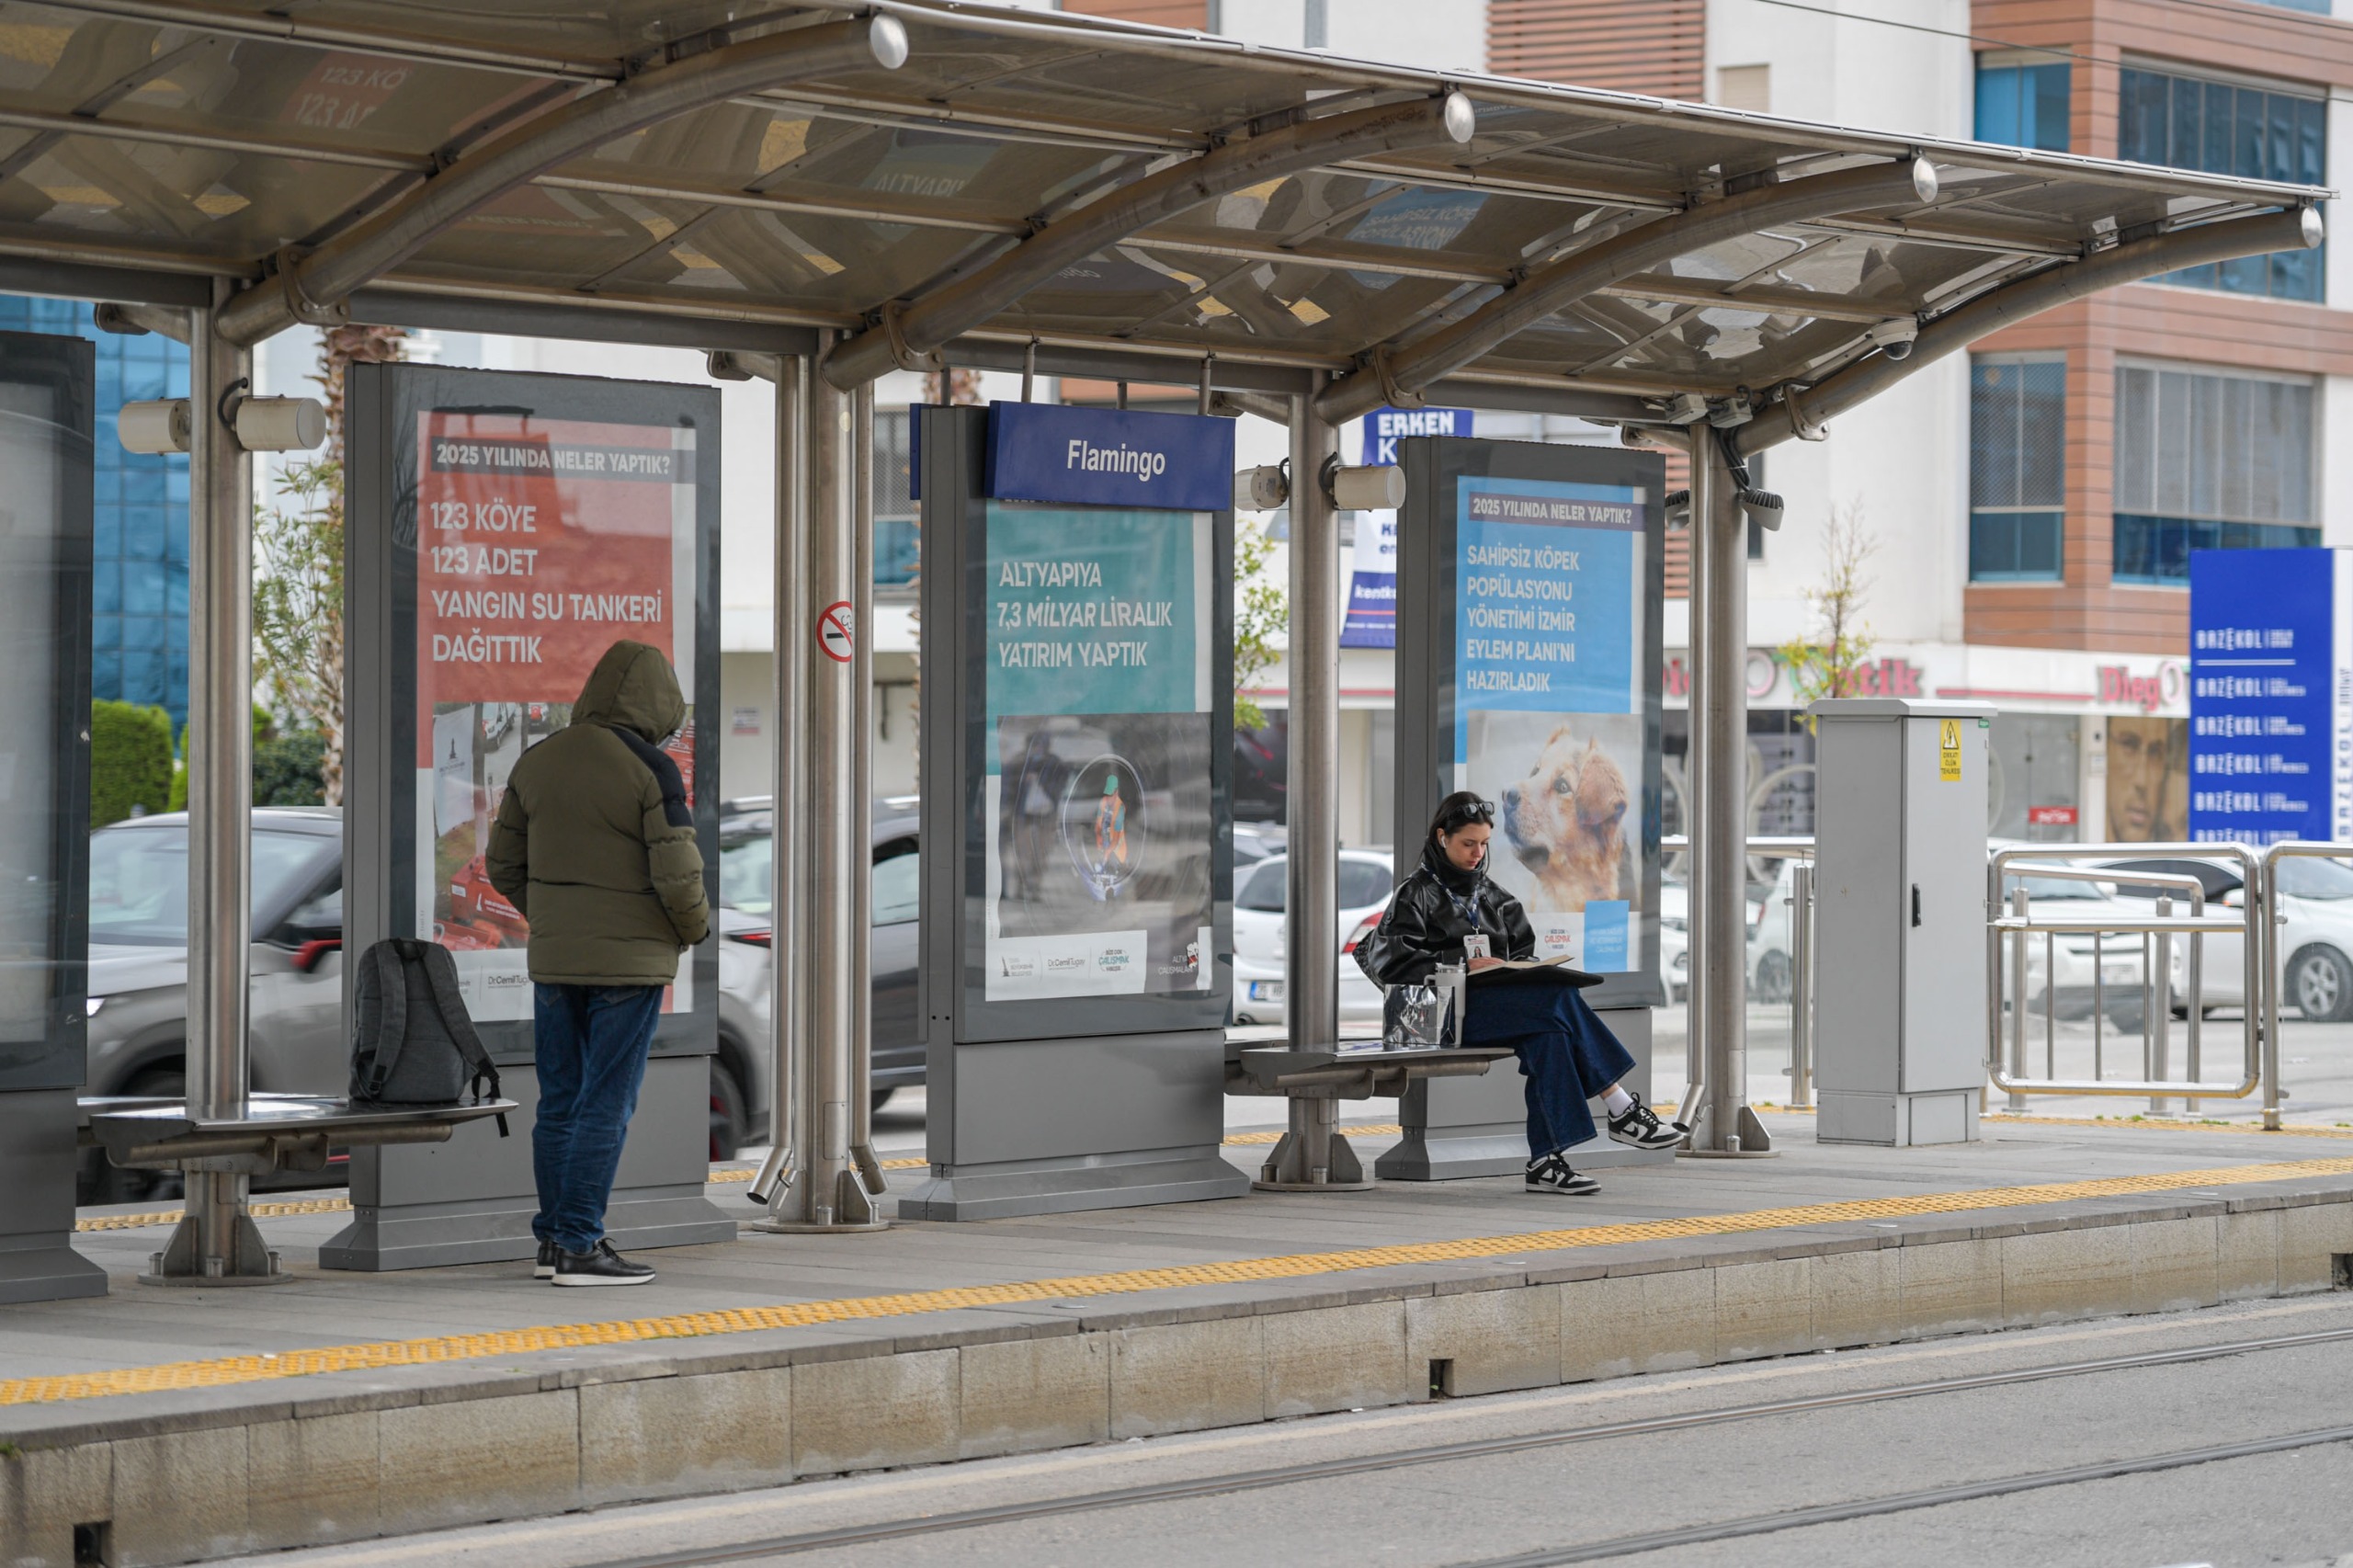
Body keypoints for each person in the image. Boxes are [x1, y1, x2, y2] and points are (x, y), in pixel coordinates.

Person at [488, 639, 710, 1285]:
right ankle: (582, 1245)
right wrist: (688, 931)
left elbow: (503, 866)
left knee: (559, 1101)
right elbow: (679, 874)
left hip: (556, 963)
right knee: (605, 1103)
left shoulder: (538, 760)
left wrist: (554, 917)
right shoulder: (652, 770)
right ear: (657, 703)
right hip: (629, 967)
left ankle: (553, 1241)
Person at [1354, 790, 1682, 1194]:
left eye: (1484, 844)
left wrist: (1521, 967)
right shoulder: (1415, 892)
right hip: (1437, 1017)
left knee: (1550, 1036)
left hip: (1491, 1008)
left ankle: (1546, 1163)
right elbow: (1392, 963)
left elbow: (1522, 951)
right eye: (1467, 844)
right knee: (1558, 1004)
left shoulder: (1492, 895)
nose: (1477, 853)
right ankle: (1620, 1109)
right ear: (1442, 838)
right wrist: (1460, 961)